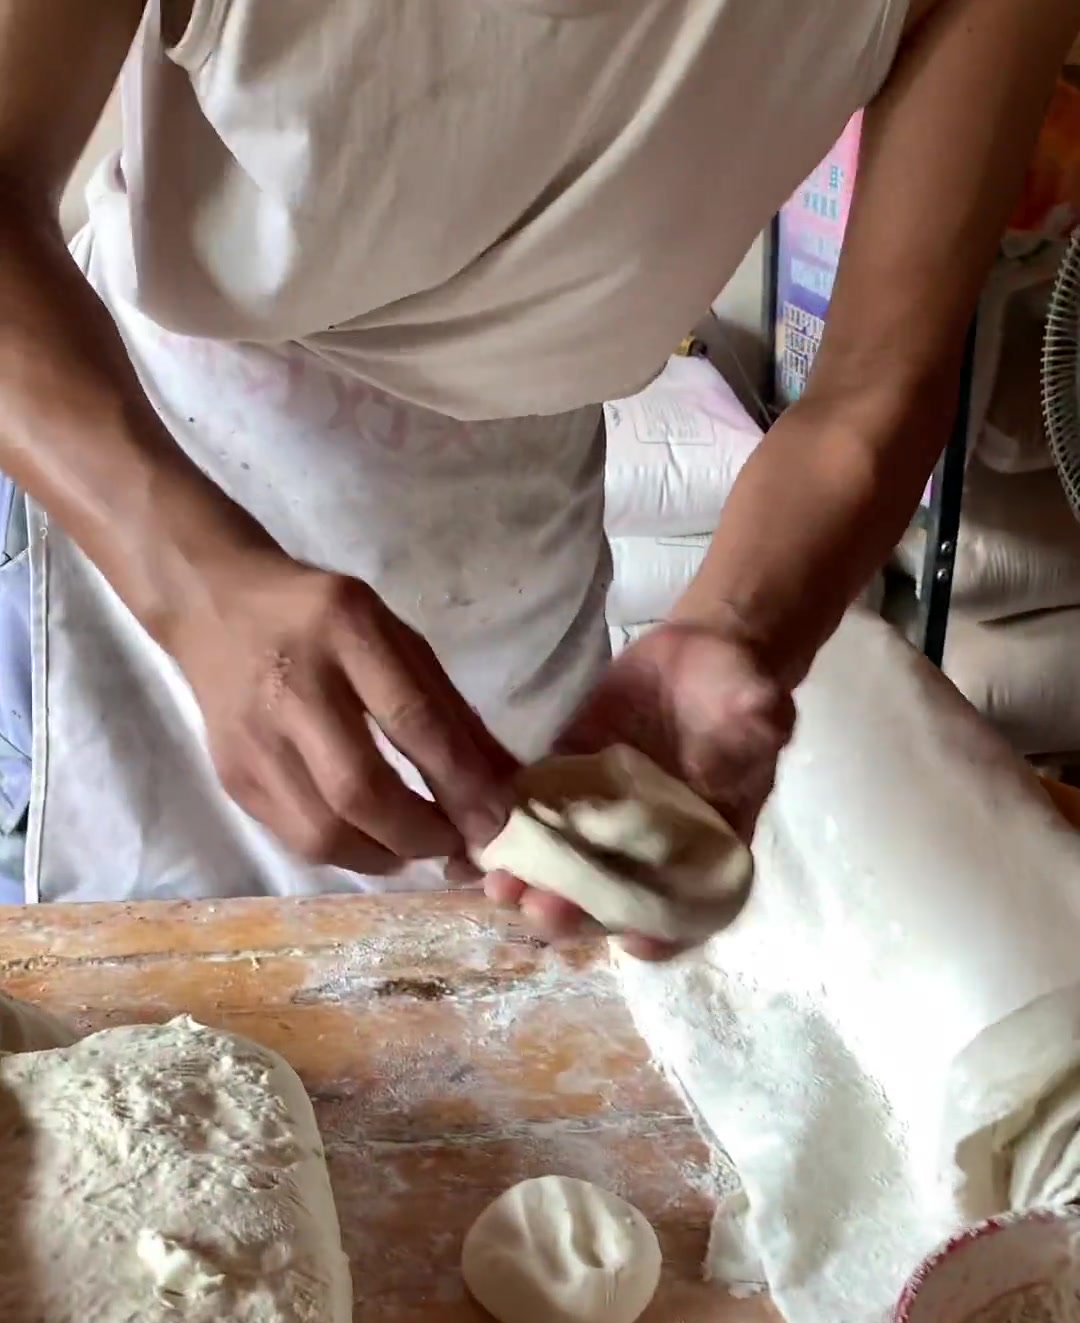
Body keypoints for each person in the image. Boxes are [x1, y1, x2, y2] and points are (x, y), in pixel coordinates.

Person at [0, 0, 1076, 952]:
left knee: (445, 996)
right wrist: (193, 587)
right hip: (126, 476)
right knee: (105, 1022)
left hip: (513, 516)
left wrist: (742, 628)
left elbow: (876, 382)